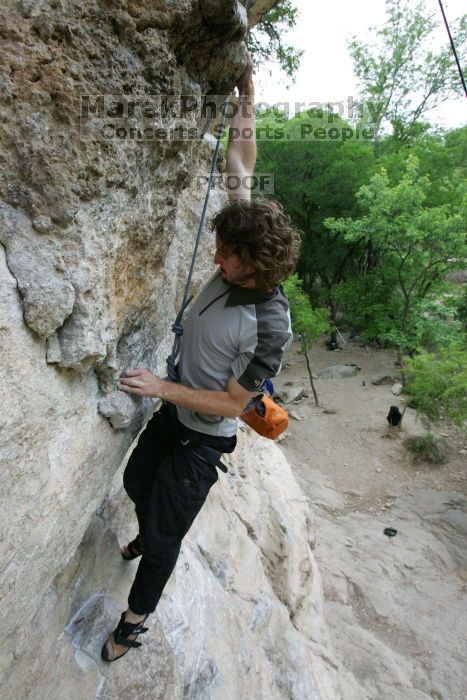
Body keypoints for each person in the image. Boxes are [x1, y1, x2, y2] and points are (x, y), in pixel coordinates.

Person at [101, 52, 300, 662]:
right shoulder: (243, 234)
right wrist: (248, 93)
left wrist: (161, 388)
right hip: (173, 415)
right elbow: (242, 159)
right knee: (137, 482)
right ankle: (147, 534)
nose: (217, 260)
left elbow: (235, 404)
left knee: (164, 536)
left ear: (255, 265)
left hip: (203, 437)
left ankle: (133, 622)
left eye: (227, 259)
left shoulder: (269, 327)